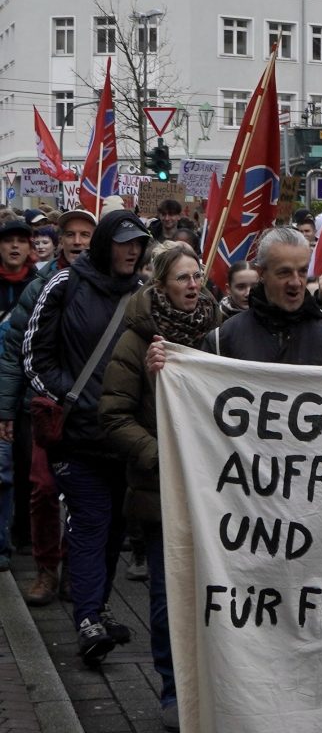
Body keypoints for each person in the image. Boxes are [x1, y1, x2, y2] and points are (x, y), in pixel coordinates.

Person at [100, 245, 219, 732]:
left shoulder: (218, 334)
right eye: (183, 278)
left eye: (198, 276)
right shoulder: (137, 341)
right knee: (171, 599)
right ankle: (174, 690)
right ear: (161, 284)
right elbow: (114, 417)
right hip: (162, 492)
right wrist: (164, 456)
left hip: (218, 493)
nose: (194, 285)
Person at [23, 209, 149, 665]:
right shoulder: (65, 284)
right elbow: (34, 354)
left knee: (115, 528)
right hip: (77, 437)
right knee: (91, 522)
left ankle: (99, 605)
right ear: (104, 245)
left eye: (139, 243)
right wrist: (70, 397)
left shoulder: (143, 293)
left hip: (123, 436)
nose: (132, 250)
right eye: (124, 242)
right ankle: (88, 619)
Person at [0, 208, 96, 605]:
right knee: (42, 488)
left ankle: (76, 569)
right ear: (60, 240)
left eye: (85, 235)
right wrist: (6, 410)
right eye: (71, 234)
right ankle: (45, 570)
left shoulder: (111, 287)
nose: (78, 242)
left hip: (89, 408)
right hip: (42, 406)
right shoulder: (39, 285)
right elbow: (12, 350)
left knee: (82, 495)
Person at [194, 227, 322, 366]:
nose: (296, 282)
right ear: (261, 273)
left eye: (302, 271)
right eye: (284, 272)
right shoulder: (224, 339)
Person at [0, 217, 35, 571]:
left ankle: (24, 532)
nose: (14, 247)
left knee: (26, 464)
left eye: (21, 241)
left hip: (26, 386)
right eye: (8, 241)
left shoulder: (38, 285)